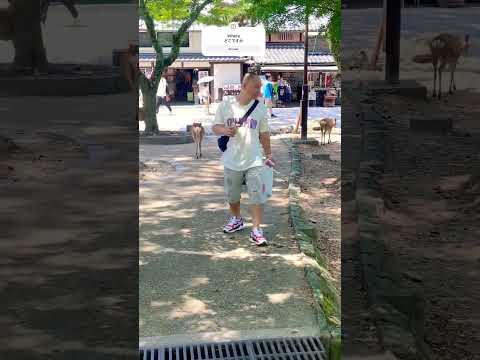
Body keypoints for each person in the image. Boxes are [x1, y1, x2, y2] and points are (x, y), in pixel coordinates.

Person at [212, 73, 275, 246]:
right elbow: (215, 127)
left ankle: (256, 229)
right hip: (231, 159)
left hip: (254, 159)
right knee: (232, 195)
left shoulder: (260, 108)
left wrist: (268, 154)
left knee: (256, 194)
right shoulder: (225, 105)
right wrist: (225, 130)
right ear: (244, 85)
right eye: (256, 87)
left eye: (260, 87)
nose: (259, 90)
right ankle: (236, 219)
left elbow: (264, 133)